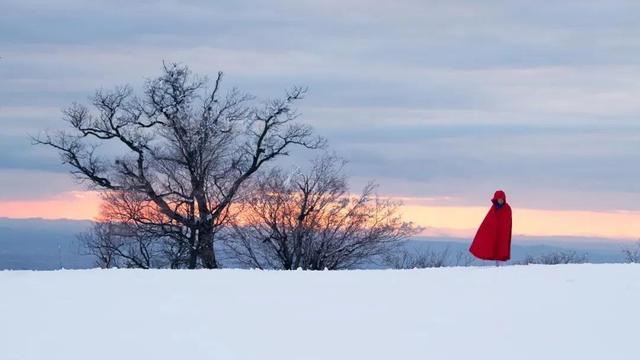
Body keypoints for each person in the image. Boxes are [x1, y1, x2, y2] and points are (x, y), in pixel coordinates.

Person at [469, 190, 512, 263]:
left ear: (504, 199)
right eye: (499, 199)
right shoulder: (493, 208)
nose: (500, 201)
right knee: (490, 243)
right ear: (496, 199)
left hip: (502, 232)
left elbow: (507, 221)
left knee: (501, 246)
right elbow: (488, 221)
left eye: (501, 199)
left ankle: (499, 259)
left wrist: (503, 230)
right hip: (494, 231)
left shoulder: (507, 208)